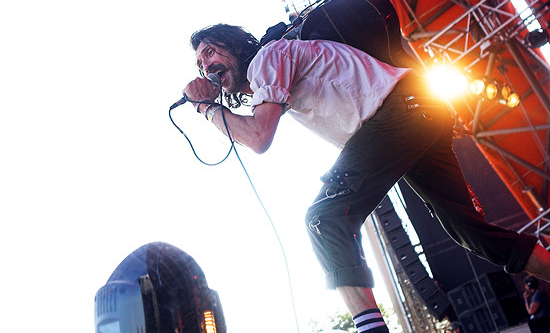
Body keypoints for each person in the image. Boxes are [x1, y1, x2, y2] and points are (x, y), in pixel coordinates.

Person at [182, 23, 550, 333]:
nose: (206, 65)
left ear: (236, 47)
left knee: (324, 219)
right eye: (200, 63)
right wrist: (210, 107)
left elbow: (259, 137)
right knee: (471, 232)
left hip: (399, 112)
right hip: (416, 109)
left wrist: (205, 107)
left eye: (211, 52)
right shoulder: (270, 76)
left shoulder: (268, 58)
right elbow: (253, 131)